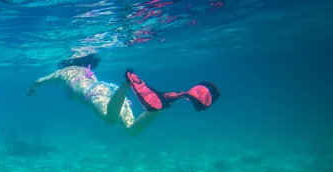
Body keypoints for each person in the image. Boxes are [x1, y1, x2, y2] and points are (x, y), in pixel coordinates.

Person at [26, 54, 220, 136]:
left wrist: (31, 90)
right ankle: (168, 99)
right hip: (107, 90)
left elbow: (39, 81)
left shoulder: (63, 72)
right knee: (131, 130)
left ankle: (127, 83)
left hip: (94, 93)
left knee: (110, 120)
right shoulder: (85, 69)